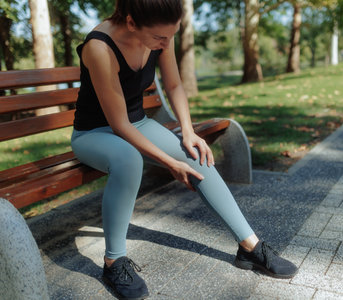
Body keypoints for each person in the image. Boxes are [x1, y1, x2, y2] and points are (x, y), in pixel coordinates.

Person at [71, 0, 298, 298]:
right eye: (160, 39)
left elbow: (175, 85)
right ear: (130, 23)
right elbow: (119, 125)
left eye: (171, 36)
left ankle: (249, 246)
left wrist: (188, 133)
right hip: (96, 133)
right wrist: (169, 163)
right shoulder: (99, 48)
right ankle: (113, 261)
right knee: (128, 160)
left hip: (138, 123)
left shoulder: (160, 30)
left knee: (197, 155)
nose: (165, 44)